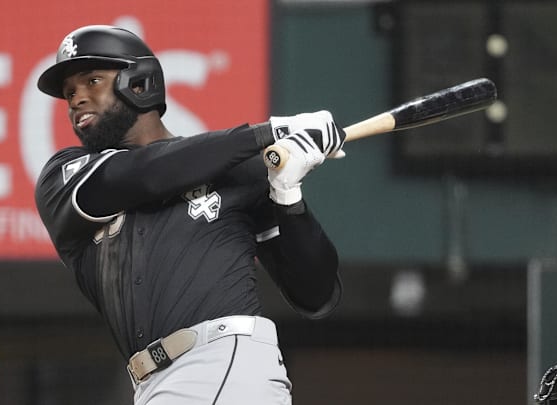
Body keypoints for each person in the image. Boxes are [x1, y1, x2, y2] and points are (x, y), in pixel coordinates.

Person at [34, 25, 346, 405]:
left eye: (92, 81)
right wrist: (270, 131)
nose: (77, 99)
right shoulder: (64, 176)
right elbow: (147, 174)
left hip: (220, 360)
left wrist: (288, 197)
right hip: (154, 384)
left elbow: (315, 295)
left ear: (139, 84)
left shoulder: (237, 171)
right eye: (69, 94)